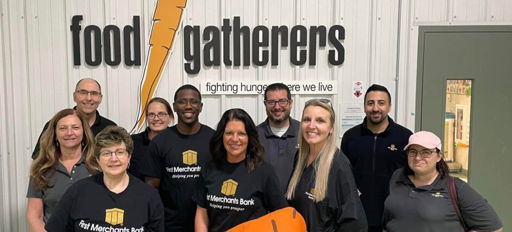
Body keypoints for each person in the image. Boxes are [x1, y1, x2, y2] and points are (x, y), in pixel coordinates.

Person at [45, 126, 164, 232]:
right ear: (98, 160)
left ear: (129, 157)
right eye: (106, 153)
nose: (114, 159)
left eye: (120, 152)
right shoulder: (78, 191)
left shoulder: (148, 196)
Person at [383, 131, 503, 232]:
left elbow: (494, 228)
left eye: (426, 152)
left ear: (439, 156)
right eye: (412, 152)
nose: (418, 157)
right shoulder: (398, 177)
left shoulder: (456, 187)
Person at [195, 108, 287, 232]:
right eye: (229, 133)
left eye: (241, 134)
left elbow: (282, 215)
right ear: (221, 135)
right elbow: (202, 213)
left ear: (249, 137)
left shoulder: (264, 172)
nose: (235, 139)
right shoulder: (209, 169)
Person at [287, 99, 367, 232]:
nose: (311, 126)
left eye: (320, 120)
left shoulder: (338, 164)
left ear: (330, 128)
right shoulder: (300, 158)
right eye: (307, 119)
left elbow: (356, 223)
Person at [340, 84, 412, 232]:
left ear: (389, 106)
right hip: (358, 215)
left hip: (394, 216)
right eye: (370, 103)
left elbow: (413, 175)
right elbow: (344, 176)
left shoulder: (405, 137)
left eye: (381, 103)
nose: (375, 108)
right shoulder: (351, 137)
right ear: (365, 106)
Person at [143, 85, 215, 232]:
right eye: (182, 102)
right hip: (171, 225)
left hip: (209, 222)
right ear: (174, 107)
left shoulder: (213, 139)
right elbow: (151, 188)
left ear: (200, 107)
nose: (188, 106)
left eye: (193, 101)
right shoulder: (160, 142)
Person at [26, 108, 96, 232]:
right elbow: (34, 216)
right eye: (63, 128)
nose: (69, 133)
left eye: (75, 127)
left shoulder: (98, 166)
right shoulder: (41, 169)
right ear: (55, 134)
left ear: (84, 132)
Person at [32, 78, 116, 159]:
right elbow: (39, 158)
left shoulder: (110, 128)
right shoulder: (56, 124)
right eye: (83, 92)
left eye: (94, 93)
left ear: (100, 98)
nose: (89, 98)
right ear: (74, 96)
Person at [257, 83, 300, 194]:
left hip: (298, 206)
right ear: (265, 104)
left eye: (282, 101)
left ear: (290, 103)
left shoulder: (304, 133)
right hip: (265, 207)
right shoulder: (254, 136)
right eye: (271, 102)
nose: (277, 107)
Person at [130, 97, 174, 181]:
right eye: (151, 114)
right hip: (140, 193)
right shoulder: (132, 142)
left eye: (161, 114)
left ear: (170, 117)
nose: (156, 118)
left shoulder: (178, 142)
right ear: (146, 118)